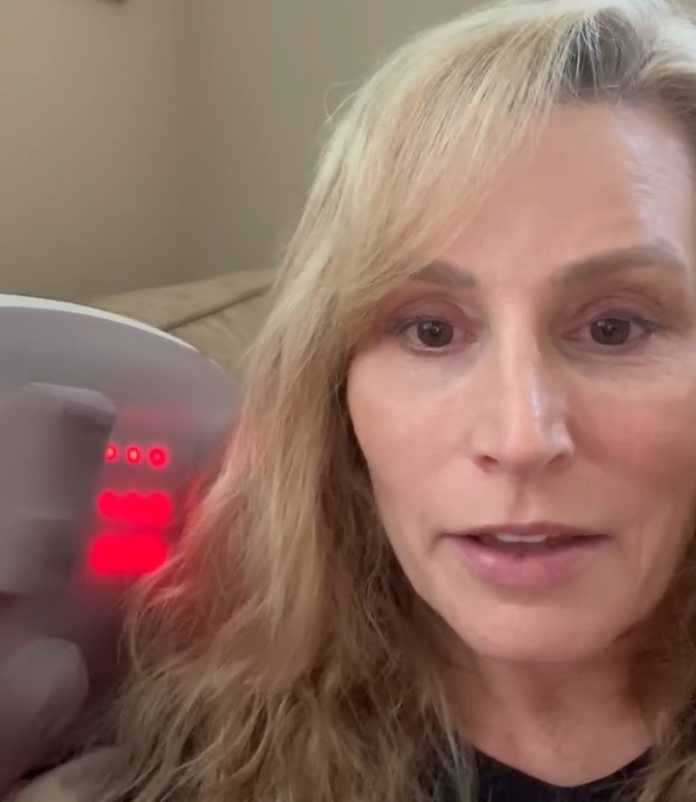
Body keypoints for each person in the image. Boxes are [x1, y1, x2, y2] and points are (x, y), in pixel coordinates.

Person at [18, 0, 696, 800]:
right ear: (334, 393)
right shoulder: (185, 748)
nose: (520, 438)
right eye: (430, 331)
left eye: (615, 328)